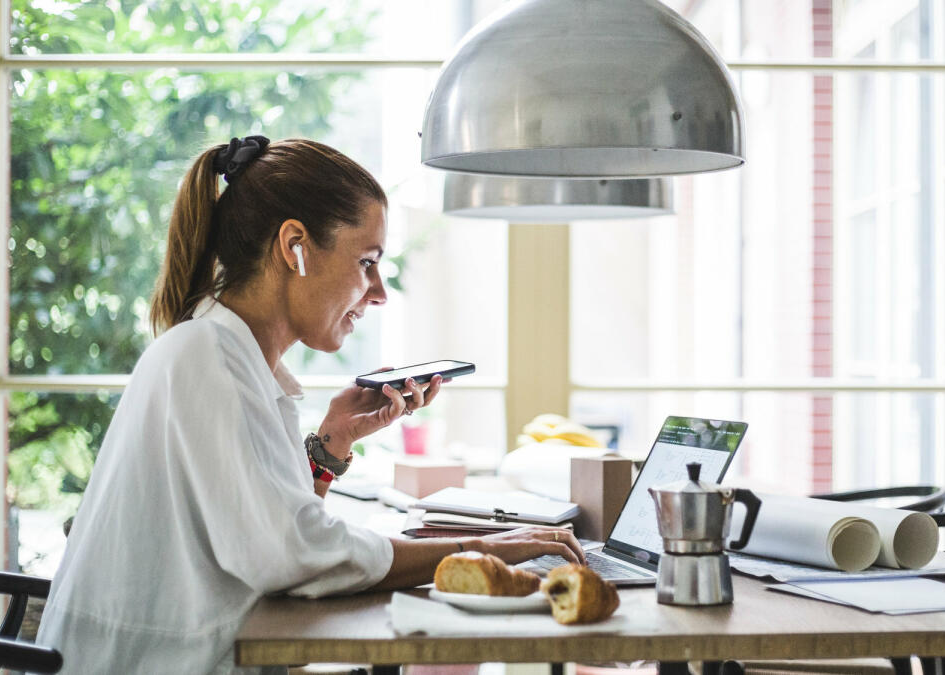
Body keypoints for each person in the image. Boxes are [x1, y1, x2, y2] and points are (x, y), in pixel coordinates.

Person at [35, 136, 586, 674]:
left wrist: (331, 444)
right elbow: (290, 555)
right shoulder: (209, 358)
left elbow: (272, 527)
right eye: (367, 261)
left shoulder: (229, 355)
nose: (379, 292)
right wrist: (481, 548)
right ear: (294, 244)